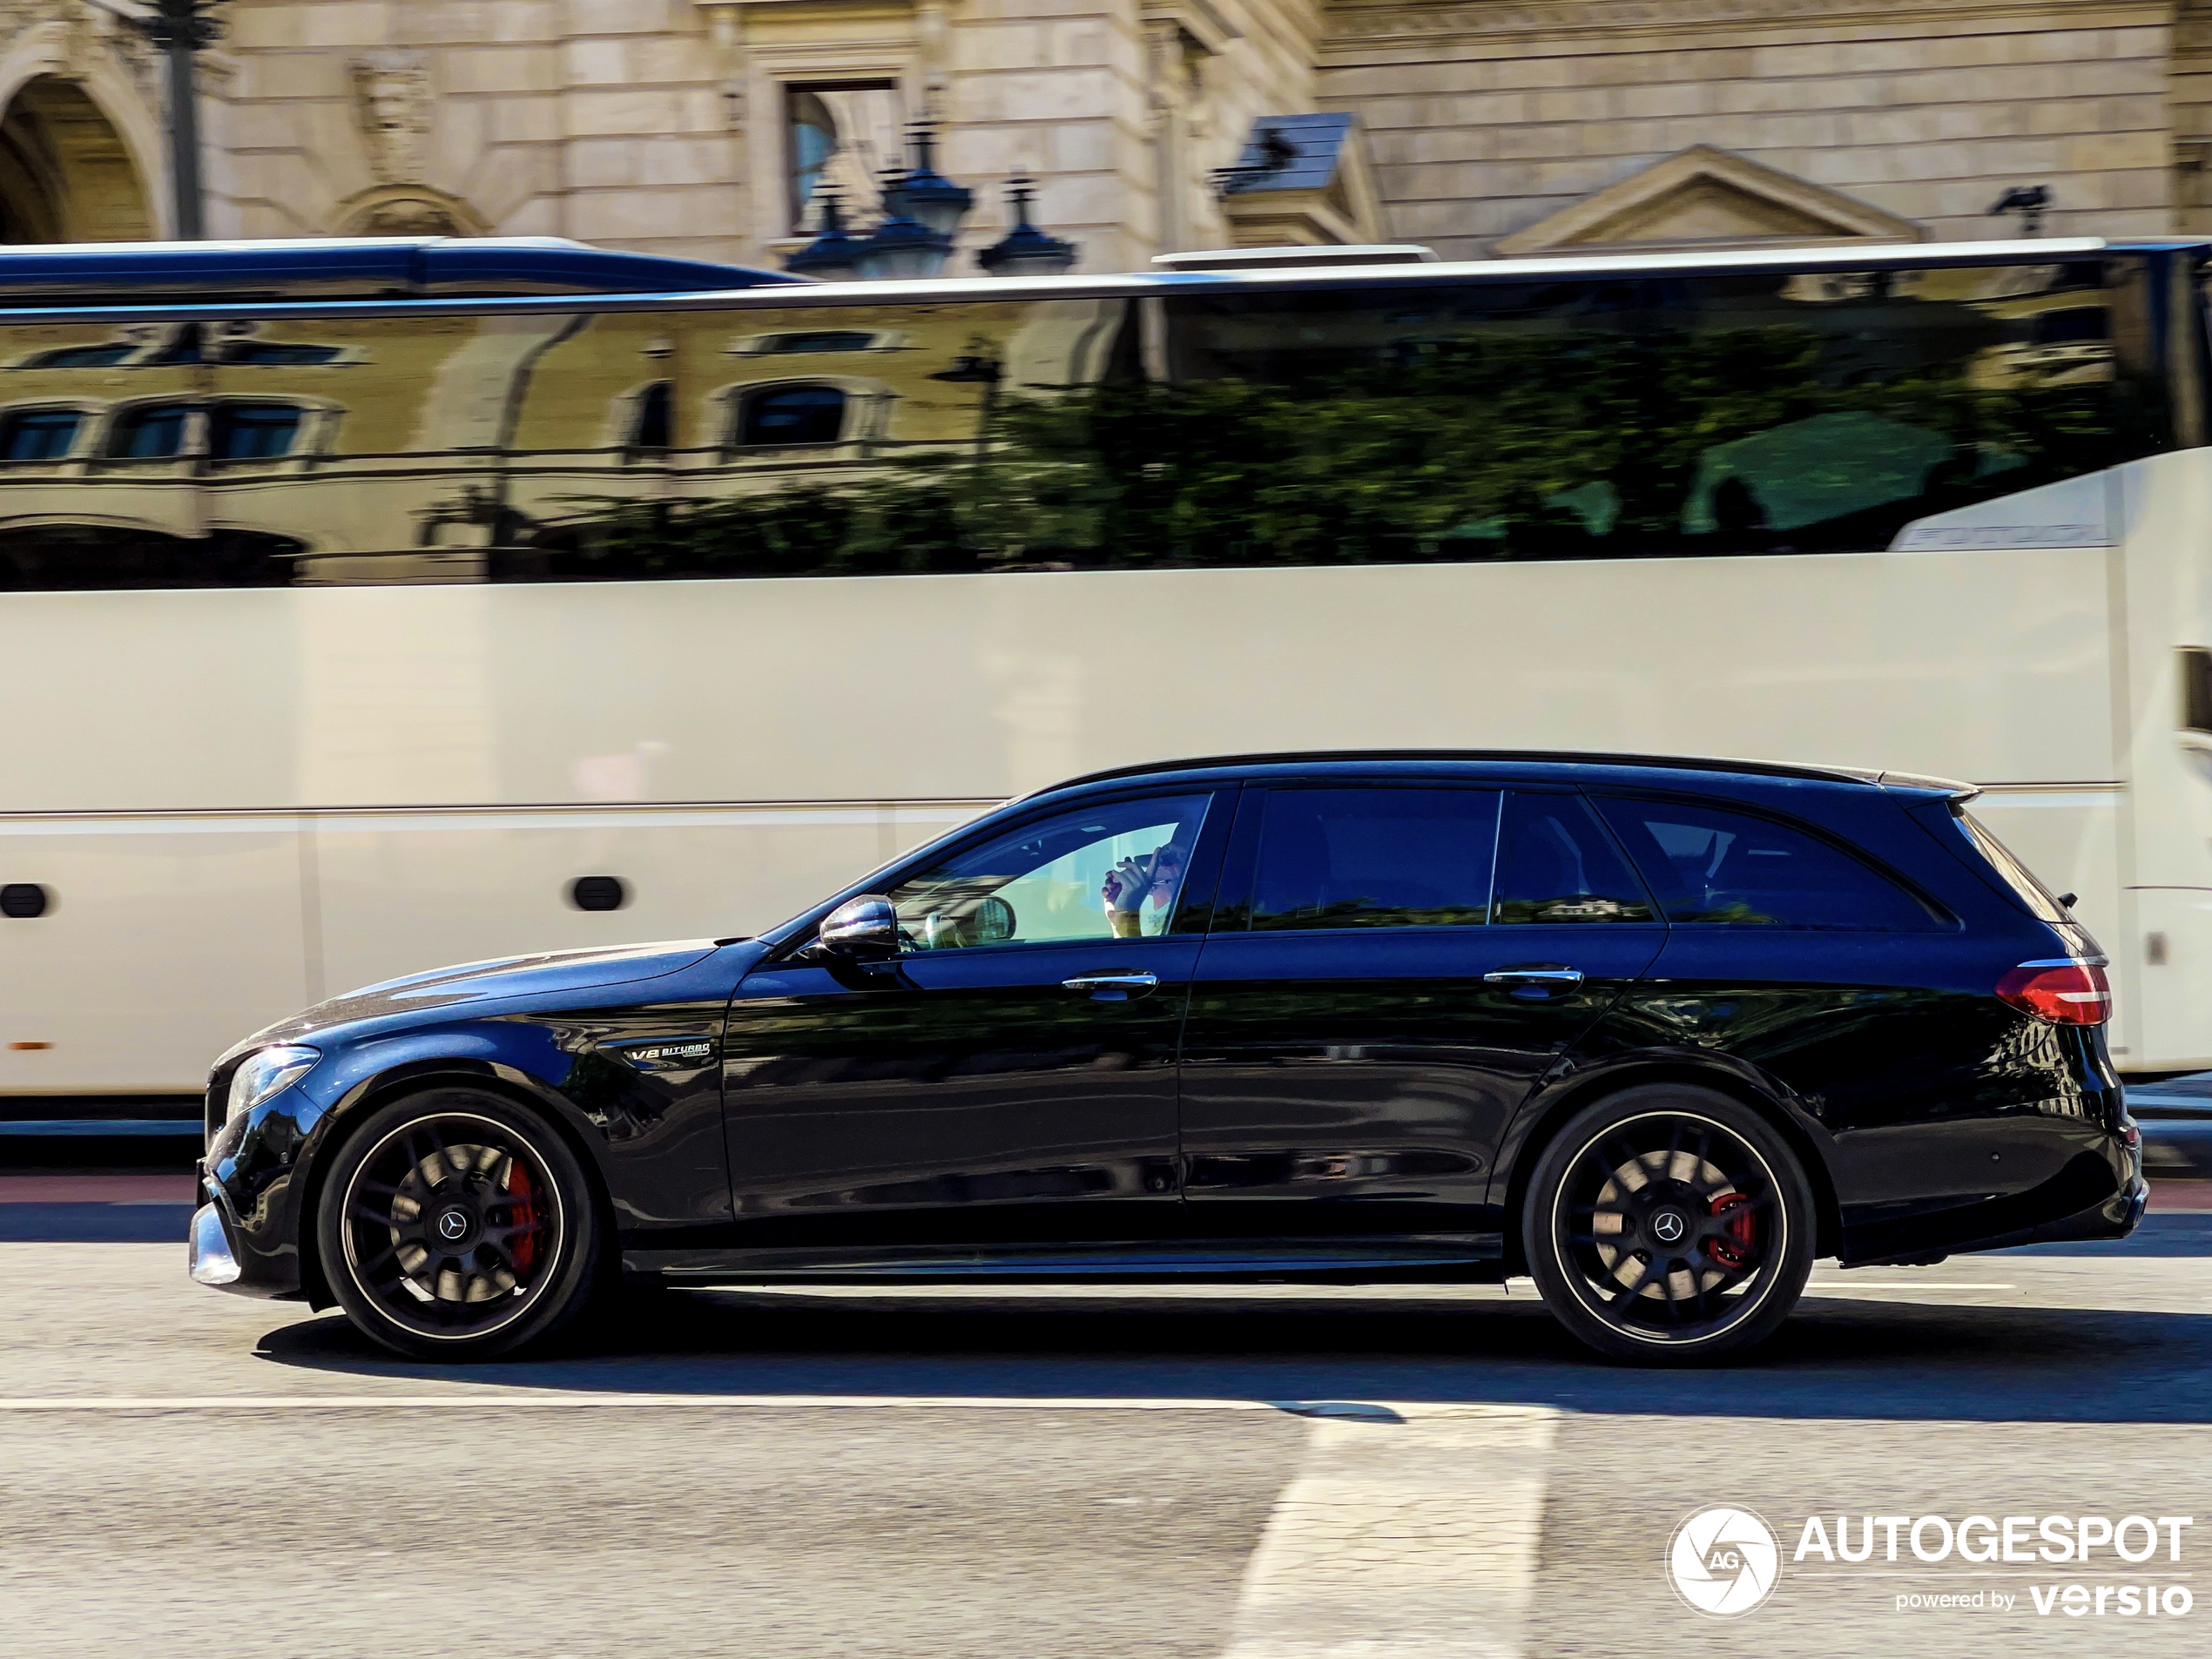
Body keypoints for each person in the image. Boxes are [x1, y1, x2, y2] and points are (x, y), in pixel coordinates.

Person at [1101, 840, 1186, 939]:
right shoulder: (1161, 929)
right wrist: (1119, 918)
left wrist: (1127, 916)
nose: (1149, 892)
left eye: (1154, 884)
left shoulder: (1187, 926)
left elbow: (1134, 953)